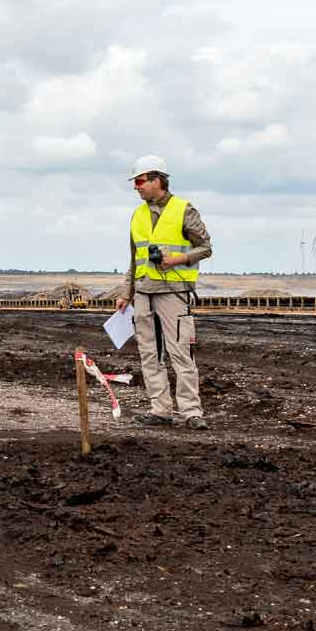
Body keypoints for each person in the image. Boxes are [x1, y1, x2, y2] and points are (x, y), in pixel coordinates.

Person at [113, 155, 212, 429]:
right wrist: (126, 293)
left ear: (157, 181)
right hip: (144, 294)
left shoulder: (183, 210)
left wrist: (175, 260)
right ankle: (161, 410)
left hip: (174, 293)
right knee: (150, 354)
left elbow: (205, 248)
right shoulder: (138, 215)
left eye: (140, 181)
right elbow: (135, 260)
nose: (136, 187)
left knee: (180, 353)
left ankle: (192, 412)